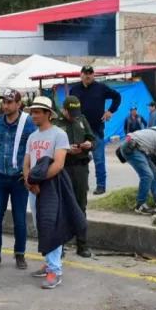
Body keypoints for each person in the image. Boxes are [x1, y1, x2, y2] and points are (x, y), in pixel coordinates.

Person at [22, 96, 85, 289]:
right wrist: (28, 182)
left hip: (52, 186)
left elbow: (58, 164)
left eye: (37, 112)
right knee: (41, 226)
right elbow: (27, 162)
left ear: (48, 114)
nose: (33, 115)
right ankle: (49, 262)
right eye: (32, 112)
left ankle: (55, 271)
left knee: (54, 225)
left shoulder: (59, 134)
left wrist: (38, 181)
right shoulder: (32, 137)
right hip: (35, 187)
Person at [0, 89, 37, 270]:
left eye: (9, 102)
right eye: (3, 102)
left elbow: (35, 148)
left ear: (18, 104)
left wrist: (30, 172)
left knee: (20, 218)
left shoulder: (28, 123)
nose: (5, 106)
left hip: (19, 178)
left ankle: (20, 254)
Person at [69, 65, 121, 196]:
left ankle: (101, 185)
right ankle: (82, 184)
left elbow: (117, 96)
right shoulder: (74, 90)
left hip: (95, 130)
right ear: (81, 75)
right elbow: (69, 107)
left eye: (90, 73)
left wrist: (110, 111)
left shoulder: (101, 88)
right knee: (80, 158)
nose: (88, 76)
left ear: (93, 75)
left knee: (99, 159)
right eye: (85, 73)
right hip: (79, 130)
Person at [54, 95, 96, 257]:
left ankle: (82, 244)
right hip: (63, 168)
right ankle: (60, 246)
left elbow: (93, 139)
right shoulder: (56, 123)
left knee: (81, 206)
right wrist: (66, 150)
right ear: (63, 109)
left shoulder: (81, 120)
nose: (73, 115)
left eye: (75, 112)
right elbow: (51, 146)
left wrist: (89, 144)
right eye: (70, 112)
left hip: (81, 168)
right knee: (62, 207)